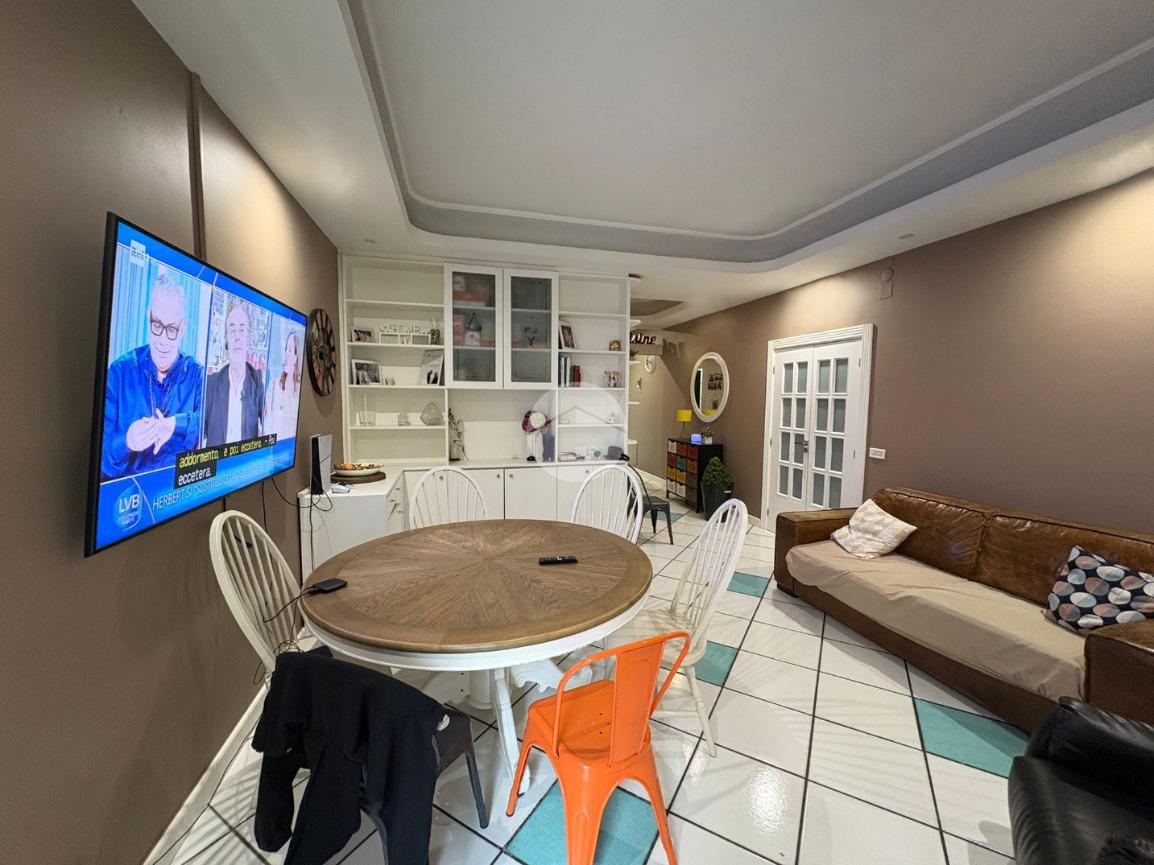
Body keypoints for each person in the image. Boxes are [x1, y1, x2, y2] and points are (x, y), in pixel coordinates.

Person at [101, 273, 204, 480]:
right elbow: (100, 462)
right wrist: (127, 441)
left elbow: (210, 425)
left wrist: (175, 424)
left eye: (171, 329)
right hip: (129, 497)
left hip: (180, 493)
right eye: (157, 325)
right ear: (148, 317)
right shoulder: (119, 373)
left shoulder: (196, 374)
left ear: (182, 328)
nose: (163, 340)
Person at [204, 302, 265, 446]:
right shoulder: (211, 383)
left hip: (246, 461)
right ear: (226, 340)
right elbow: (197, 431)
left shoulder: (256, 381)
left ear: (249, 339)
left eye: (242, 330)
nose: (237, 336)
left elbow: (271, 424)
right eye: (232, 330)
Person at [265, 331, 301, 440]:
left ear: (296, 357)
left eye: (290, 350)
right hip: (275, 445)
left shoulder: (299, 389)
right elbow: (268, 426)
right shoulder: (275, 385)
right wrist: (268, 407)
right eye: (286, 349)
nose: (286, 353)